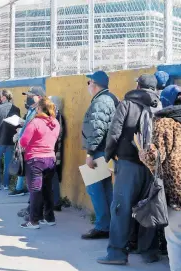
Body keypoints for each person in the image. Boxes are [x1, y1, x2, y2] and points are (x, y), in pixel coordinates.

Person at [98, 74, 162, 265]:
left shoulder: (126, 104)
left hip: (128, 164)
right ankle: (149, 252)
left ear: (138, 85)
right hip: (152, 166)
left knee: (120, 208)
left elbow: (114, 132)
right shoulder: (159, 106)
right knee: (149, 206)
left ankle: (117, 253)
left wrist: (108, 156)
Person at [139, 85, 181, 271]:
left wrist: (143, 153)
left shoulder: (165, 123)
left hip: (176, 194)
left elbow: (156, 157)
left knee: (175, 238)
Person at [81, 70, 118, 239]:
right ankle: (111, 225)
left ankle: (103, 226)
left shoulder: (101, 102)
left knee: (95, 189)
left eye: (89, 82)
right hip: (106, 150)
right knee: (105, 190)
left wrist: (90, 153)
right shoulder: (108, 98)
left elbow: (97, 129)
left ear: (94, 84)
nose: (88, 86)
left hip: (98, 151)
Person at [19, 97, 60, 229]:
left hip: (35, 160)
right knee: (47, 189)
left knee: (35, 190)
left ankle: (34, 220)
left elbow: (23, 141)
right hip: (50, 159)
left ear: (39, 108)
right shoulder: (55, 123)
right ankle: (49, 217)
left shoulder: (35, 122)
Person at [10, 86, 46, 197]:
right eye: (27, 96)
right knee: (24, 168)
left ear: (39, 97)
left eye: (31, 96)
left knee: (34, 176)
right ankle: (20, 189)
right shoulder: (31, 109)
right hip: (25, 144)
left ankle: (32, 201)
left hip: (34, 148)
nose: (28, 98)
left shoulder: (41, 111)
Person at [0, 90, 21, 191]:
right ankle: (6, 184)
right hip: (11, 139)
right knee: (8, 162)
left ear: (3, 97)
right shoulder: (16, 108)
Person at [49, 96, 66, 211]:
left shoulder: (56, 117)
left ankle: (55, 202)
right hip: (53, 150)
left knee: (52, 176)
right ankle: (55, 201)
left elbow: (57, 135)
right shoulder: (56, 116)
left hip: (52, 151)